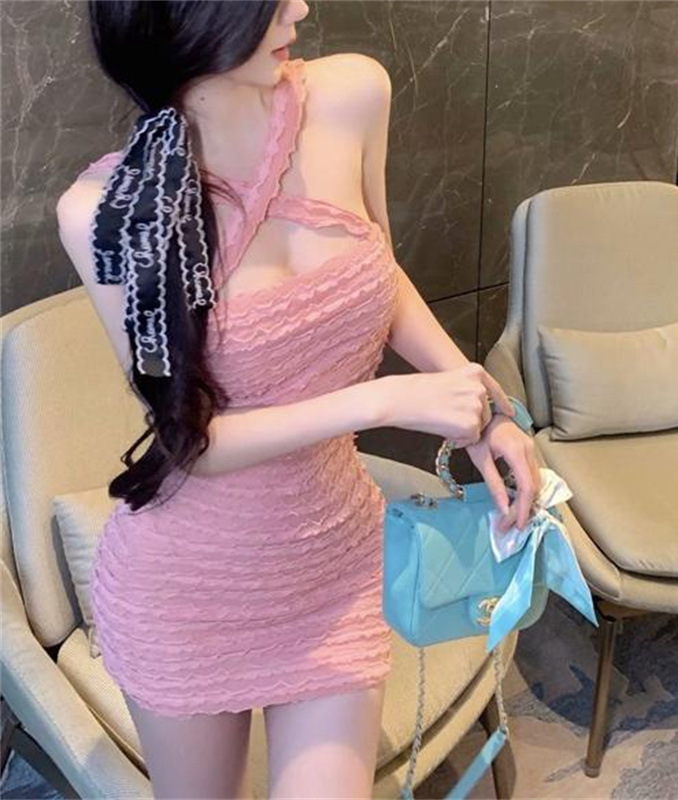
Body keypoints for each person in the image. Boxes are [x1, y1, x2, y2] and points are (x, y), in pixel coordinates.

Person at [55, 1, 544, 797]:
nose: (301, 8)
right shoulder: (107, 214)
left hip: (331, 564)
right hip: (188, 591)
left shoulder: (352, 94)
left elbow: (378, 276)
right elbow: (190, 442)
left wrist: (477, 403)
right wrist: (381, 402)